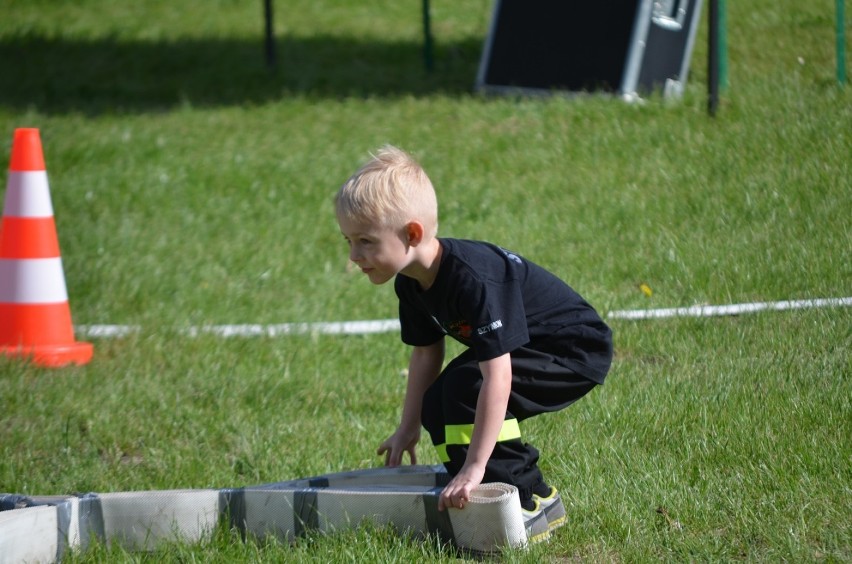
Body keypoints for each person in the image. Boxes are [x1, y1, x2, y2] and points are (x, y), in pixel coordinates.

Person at [334, 145, 612, 540]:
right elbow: (427, 352)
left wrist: (476, 464)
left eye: (365, 241)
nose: (354, 255)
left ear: (411, 233)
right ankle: (479, 498)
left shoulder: (471, 279)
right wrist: (408, 426)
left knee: (468, 389)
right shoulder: (411, 284)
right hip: (530, 347)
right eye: (348, 240)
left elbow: (497, 375)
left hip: (573, 349)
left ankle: (531, 500)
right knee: (438, 403)